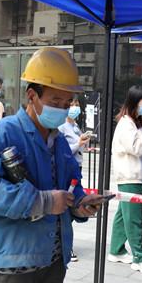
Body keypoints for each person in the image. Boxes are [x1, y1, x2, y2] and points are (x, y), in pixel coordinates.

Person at [0, 47, 105, 283]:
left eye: (67, 102)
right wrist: (43, 201)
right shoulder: (3, 133)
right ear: (32, 95)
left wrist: (80, 203)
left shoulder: (60, 142)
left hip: (53, 259)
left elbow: (70, 184)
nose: (63, 109)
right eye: (55, 101)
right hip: (13, 260)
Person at [108, 85, 142, 275]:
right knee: (134, 219)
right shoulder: (125, 124)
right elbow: (136, 148)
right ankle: (139, 258)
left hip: (135, 177)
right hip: (129, 177)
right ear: (134, 102)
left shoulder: (137, 123)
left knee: (124, 215)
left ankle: (116, 250)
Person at [58, 97, 90, 262]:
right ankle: (65, 247)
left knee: (72, 206)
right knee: (67, 208)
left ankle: (66, 245)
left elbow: (80, 148)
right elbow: (62, 152)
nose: (74, 107)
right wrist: (78, 144)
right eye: (71, 105)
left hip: (77, 168)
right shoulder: (61, 127)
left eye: (76, 105)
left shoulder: (76, 126)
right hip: (67, 169)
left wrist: (83, 142)